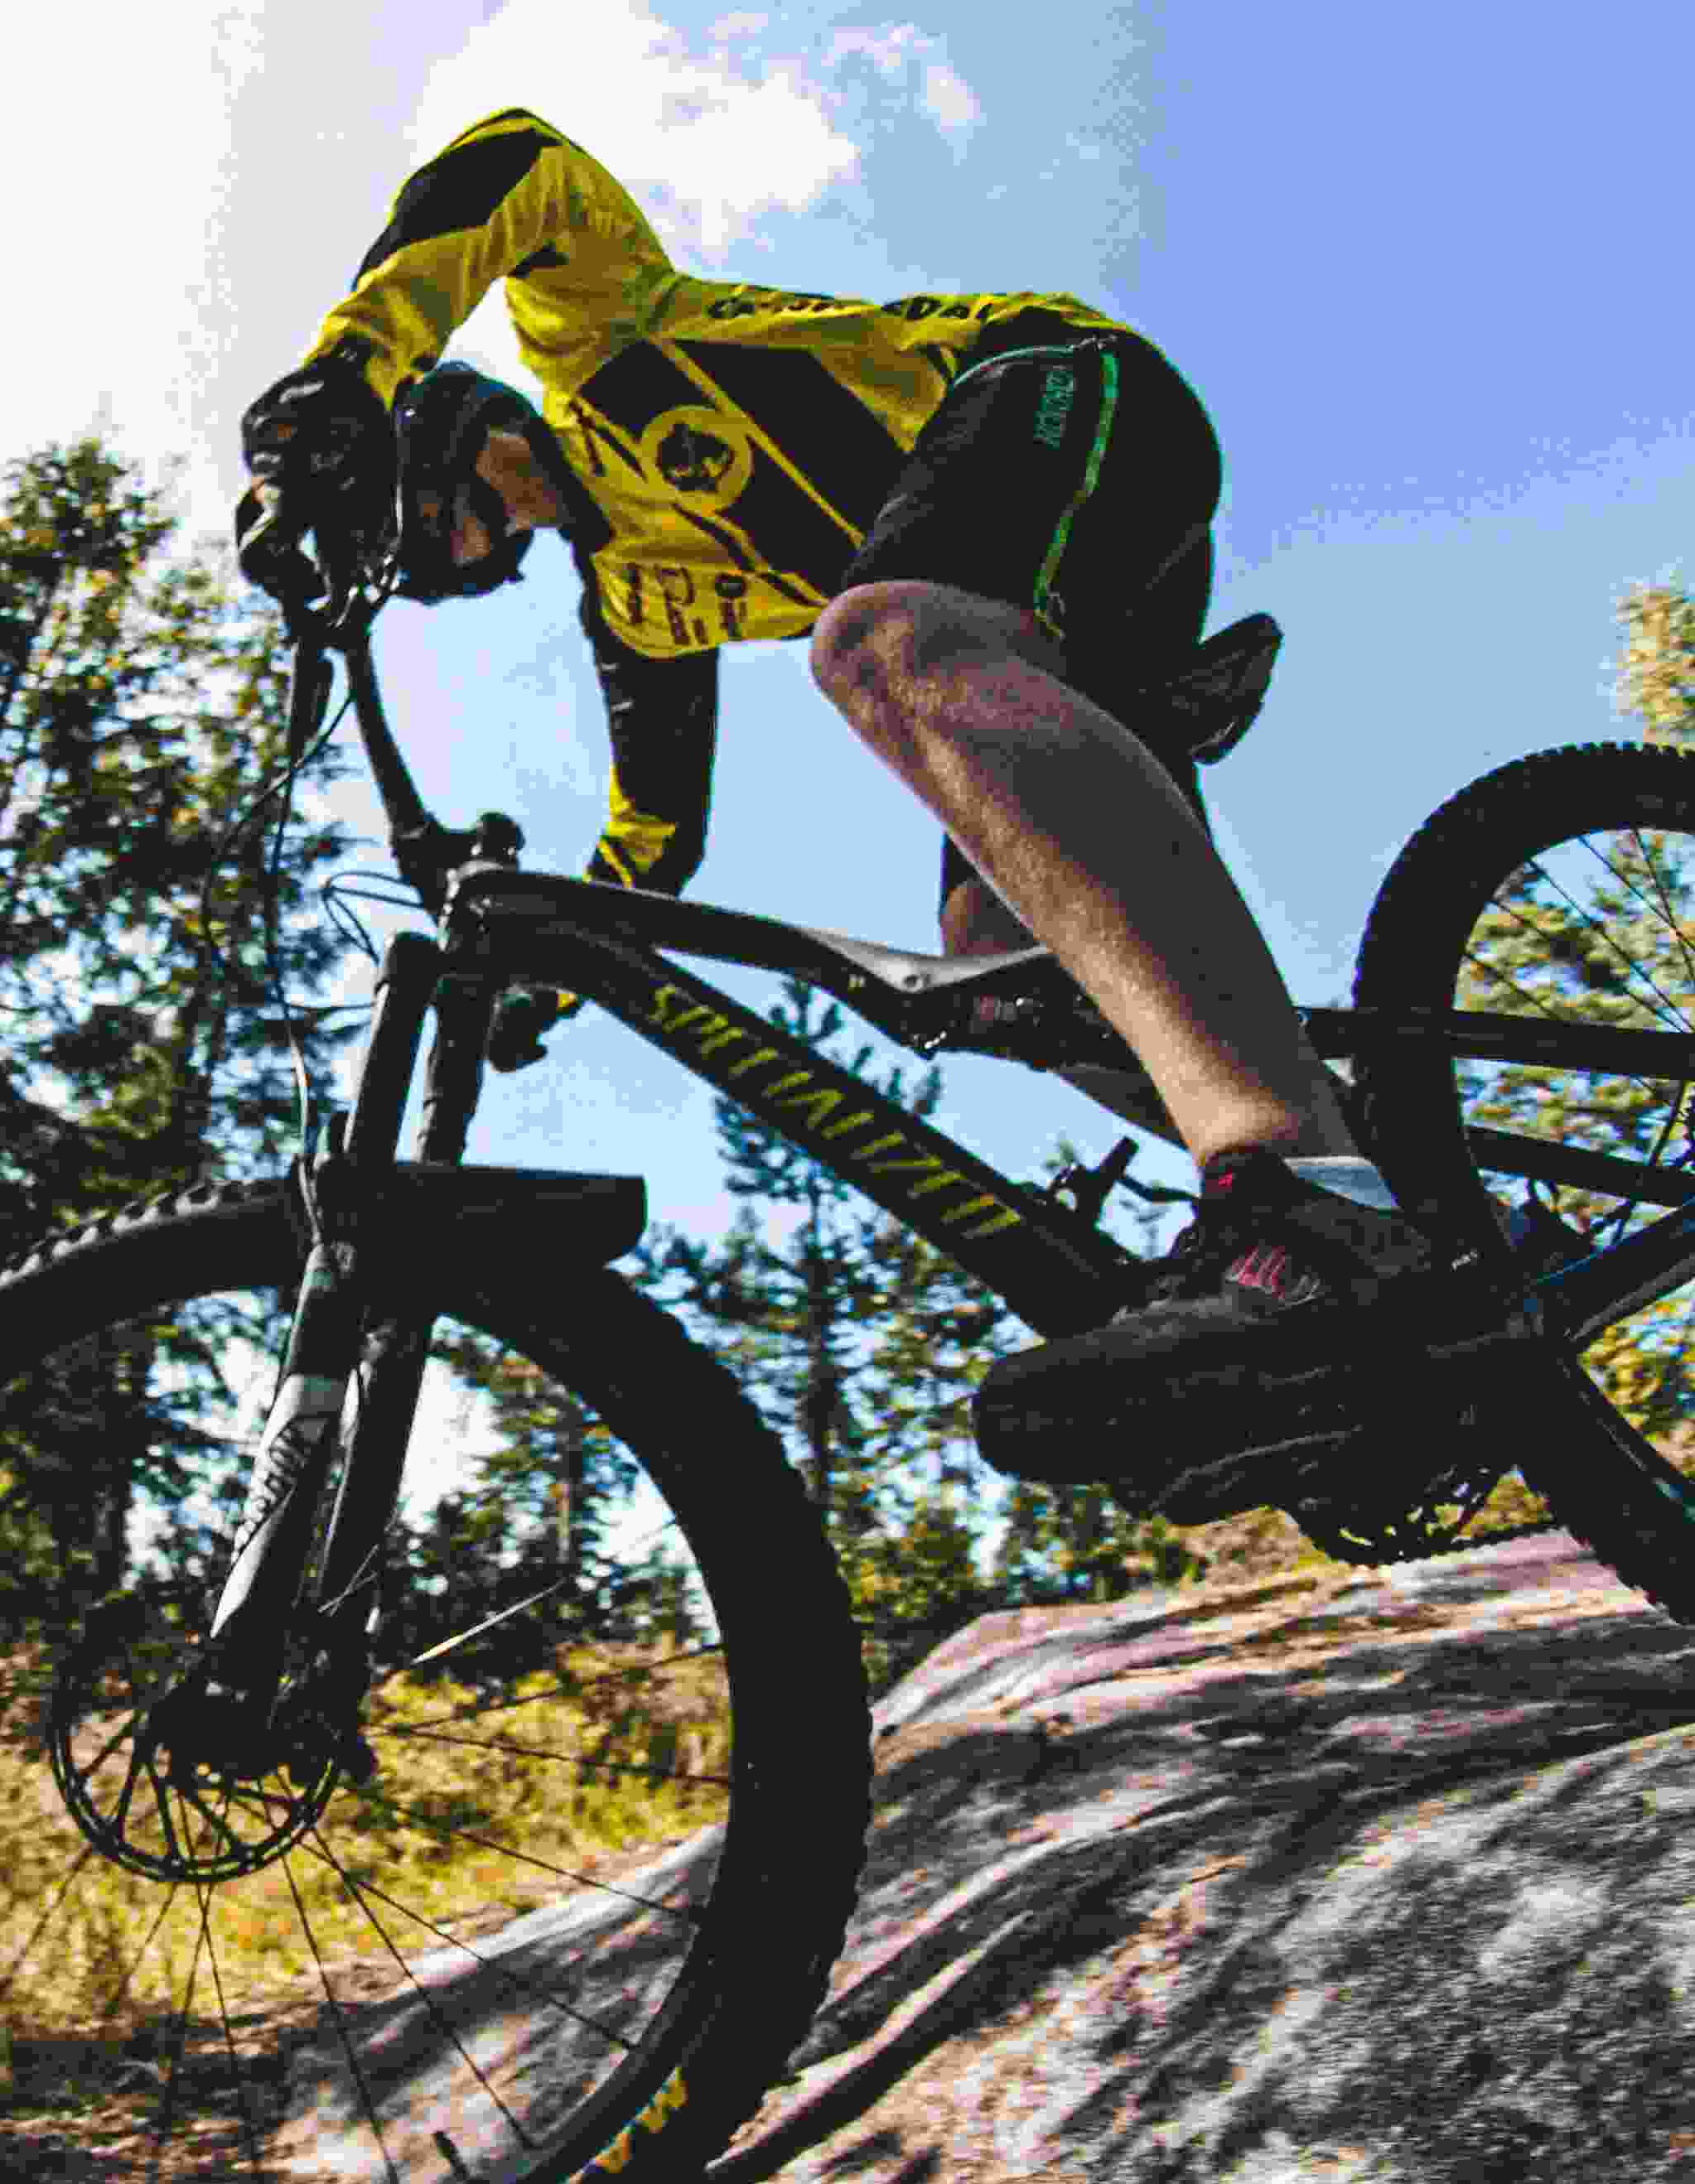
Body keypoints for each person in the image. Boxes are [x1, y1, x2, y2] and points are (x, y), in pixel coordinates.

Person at [239, 108, 1485, 1521]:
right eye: (436, 562)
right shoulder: (639, 605)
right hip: (1041, 612)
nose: (450, 553)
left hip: (1055, 390)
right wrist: (546, 990)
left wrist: (351, 358)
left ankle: (1309, 1198)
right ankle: (1406, 1183)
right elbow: (654, 834)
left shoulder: (598, 340)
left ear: (440, 433)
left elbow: (518, 159)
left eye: (425, 522)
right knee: (995, 964)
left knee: (880, 644)